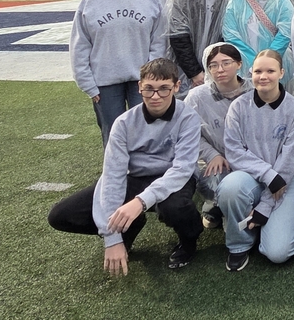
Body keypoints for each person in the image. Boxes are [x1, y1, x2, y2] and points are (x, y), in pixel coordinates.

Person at [48, 58, 203, 273]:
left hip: (172, 177)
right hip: (135, 177)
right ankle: (130, 225)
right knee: (60, 215)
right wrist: (112, 237)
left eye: (164, 89)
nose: (155, 96)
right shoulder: (123, 123)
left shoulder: (188, 117)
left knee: (175, 207)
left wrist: (140, 202)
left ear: (176, 87)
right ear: (139, 87)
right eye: (149, 88)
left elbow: (182, 169)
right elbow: (113, 175)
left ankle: (189, 240)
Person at [70, 0, 168, 146]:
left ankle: (143, 167)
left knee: (144, 131)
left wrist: (152, 74)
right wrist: (87, 83)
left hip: (142, 80)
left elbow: (159, 40)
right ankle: (114, 167)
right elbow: (79, 46)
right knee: (113, 135)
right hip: (104, 82)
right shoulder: (90, 1)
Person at [219, 49, 294, 271]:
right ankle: (239, 244)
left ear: (282, 73)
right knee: (230, 187)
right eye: (258, 71)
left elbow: (289, 159)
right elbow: (234, 151)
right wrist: (268, 175)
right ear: (251, 73)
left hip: (286, 180)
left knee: (277, 253)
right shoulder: (239, 106)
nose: (263, 76)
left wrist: (266, 205)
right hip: (251, 177)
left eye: (270, 71)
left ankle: (262, 220)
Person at [185, 43, 253, 230]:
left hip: (254, 158)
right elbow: (187, 135)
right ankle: (217, 206)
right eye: (213, 65)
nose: (219, 69)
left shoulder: (256, 90)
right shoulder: (196, 97)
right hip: (218, 160)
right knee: (216, 181)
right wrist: (211, 154)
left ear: (239, 63)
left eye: (226, 63)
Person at [165, 0, 235, 95]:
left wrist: (216, 68)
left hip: (220, 68)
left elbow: (231, 37)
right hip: (187, 71)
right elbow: (178, 35)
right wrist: (194, 72)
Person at [222, 0, 294, 84]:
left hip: (276, 63)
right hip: (244, 64)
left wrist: (268, 59)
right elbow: (230, 34)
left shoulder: (281, 0)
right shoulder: (236, 1)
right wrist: (252, 60)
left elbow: (285, 32)